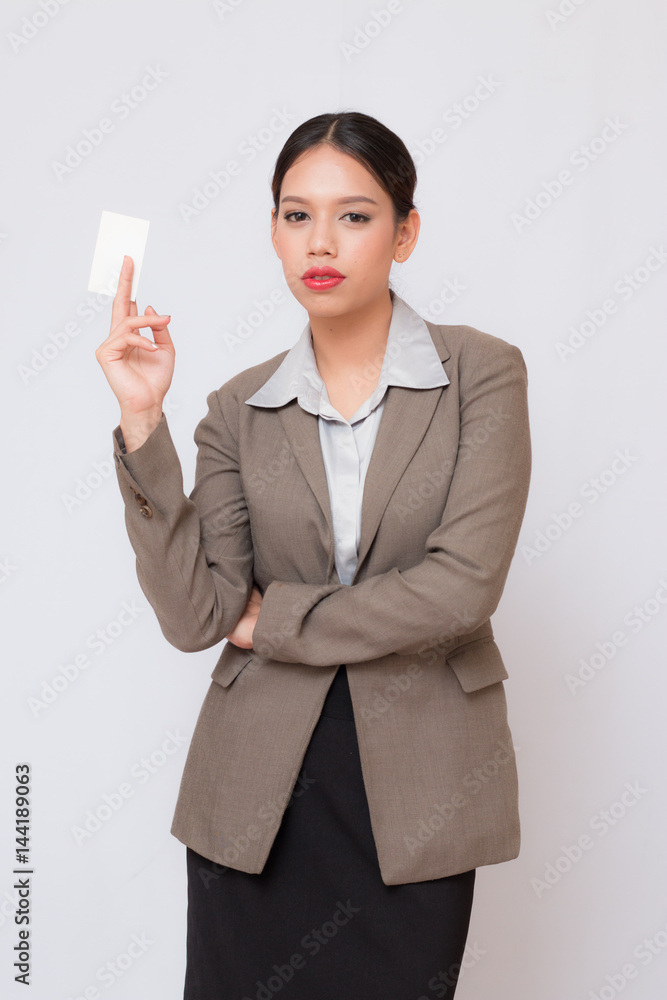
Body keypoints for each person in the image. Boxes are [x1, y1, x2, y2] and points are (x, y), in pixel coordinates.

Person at [96, 110, 532, 999]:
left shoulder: (481, 374)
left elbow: (461, 588)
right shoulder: (235, 407)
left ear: (404, 231)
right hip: (252, 788)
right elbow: (198, 617)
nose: (320, 242)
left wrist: (279, 616)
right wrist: (144, 421)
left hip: (421, 780)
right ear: (272, 231)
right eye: (295, 215)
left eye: (355, 215)